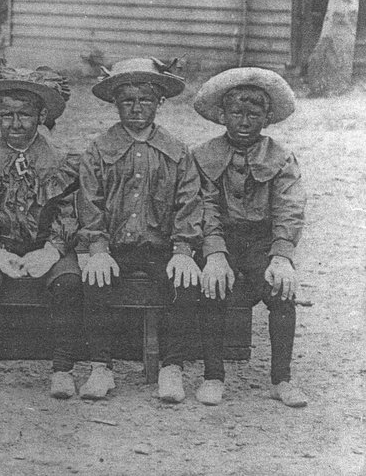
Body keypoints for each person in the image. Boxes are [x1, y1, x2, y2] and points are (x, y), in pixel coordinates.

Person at [78, 57, 203, 402]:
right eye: (127, 101)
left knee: (185, 281)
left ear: (159, 103)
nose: (136, 108)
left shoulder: (177, 152)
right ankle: (101, 367)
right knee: (93, 280)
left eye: (145, 100)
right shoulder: (99, 150)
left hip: (161, 247)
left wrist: (183, 250)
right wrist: (98, 249)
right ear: (115, 103)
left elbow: (189, 202)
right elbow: (89, 203)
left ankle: (172, 367)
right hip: (115, 247)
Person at [0, 59, 82, 396]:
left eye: (25, 114)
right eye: (7, 115)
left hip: (48, 244)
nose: (16, 123)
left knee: (70, 281)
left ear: (41, 117)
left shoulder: (59, 160)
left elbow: (69, 211)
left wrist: (52, 249)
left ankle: (62, 369)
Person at [193, 67, 308, 407]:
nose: (244, 122)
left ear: (266, 118)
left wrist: (282, 255)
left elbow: (290, 207)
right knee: (211, 287)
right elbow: (205, 206)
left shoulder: (281, 157)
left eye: (253, 114)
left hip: (262, 243)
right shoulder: (204, 155)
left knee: (282, 292)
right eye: (236, 113)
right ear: (222, 115)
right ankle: (213, 375)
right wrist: (214, 253)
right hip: (220, 239)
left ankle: (281, 379)